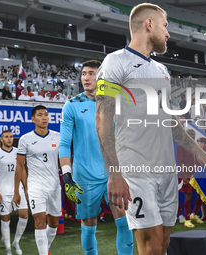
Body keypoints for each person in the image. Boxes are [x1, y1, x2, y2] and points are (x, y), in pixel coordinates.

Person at [94, 4, 206, 255]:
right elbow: (103, 119)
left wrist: (199, 153)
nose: (168, 34)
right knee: (151, 246)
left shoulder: (162, 71)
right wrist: (114, 174)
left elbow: (169, 120)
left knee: (165, 243)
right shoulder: (115, 62)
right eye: (165, 26)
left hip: (166, 170)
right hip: (136, 170)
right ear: (149, 24)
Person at [59, 60, 134, 255]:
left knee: (124, 221)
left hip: (113, 174)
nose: (86, 77)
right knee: (88, 225)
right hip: (84, 177)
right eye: (84, 73)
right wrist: (67, 175)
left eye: (91, 73)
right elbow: (65, 144)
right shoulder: (71, 105)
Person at [14, 105, 61, 255]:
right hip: (35, 186)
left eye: (46, 114)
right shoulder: (25, 139)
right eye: (40, 115)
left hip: (54, 186)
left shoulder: (58, 136)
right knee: (40, 221)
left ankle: (45, 250)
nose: (44, 117)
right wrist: (17, 190)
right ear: (33, 119)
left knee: (53, 223)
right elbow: (20, 166)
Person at [0, 130, 29, 255]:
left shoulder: (19, 152)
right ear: (1, 139)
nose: (9, 139)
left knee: (24, 215)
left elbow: (22, 170)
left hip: (18, 190)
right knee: (5, 218)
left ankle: (16, 242)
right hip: (3, 191)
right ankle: (8, 248)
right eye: (6, 137)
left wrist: (26, 187)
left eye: (11, 137)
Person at [177, 130, 204, 228]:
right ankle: (187, 219)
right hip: (186, 175)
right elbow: (180, 162)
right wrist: (183, 176)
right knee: (188, 196)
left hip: (196, 174)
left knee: (201, 194)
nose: (192, 136)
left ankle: (194, 214)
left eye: (193, 134)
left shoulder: (195, 147)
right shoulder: (181, 146)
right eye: (190, 134)